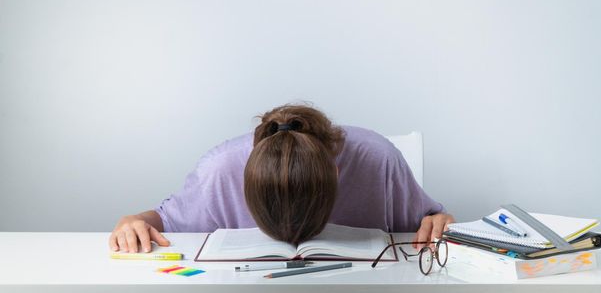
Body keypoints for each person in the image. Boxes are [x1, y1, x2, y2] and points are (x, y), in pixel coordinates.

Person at [109, 104, 454, 253]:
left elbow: (432, 220)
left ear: (335, 174)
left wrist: (442, 222)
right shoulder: (220, 169)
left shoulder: (377, 159)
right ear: (244, 177)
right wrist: (134, 220)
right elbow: (166, 221)